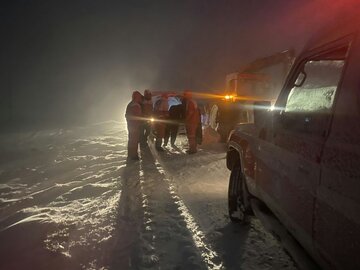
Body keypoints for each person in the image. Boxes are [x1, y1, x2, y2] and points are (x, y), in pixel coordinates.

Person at [125, 91, 143, 161]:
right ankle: (133, 156)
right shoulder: (135, 105)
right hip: (134, 125)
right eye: (139, 97)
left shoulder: (130, 104)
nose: (140, 98)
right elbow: (137, 116)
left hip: (131, 125)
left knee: (131, 139)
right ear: (136, 97)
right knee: (134, 140)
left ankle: (131, 154)